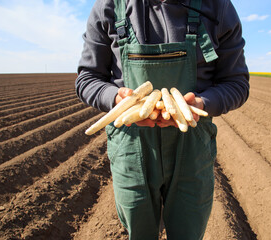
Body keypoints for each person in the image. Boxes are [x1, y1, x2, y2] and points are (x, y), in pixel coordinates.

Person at [75, 0, 249, 239]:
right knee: (139, 231)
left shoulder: (217, 6)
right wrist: (118, 100)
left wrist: (201, 104)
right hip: (130, 146)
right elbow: (88, 78)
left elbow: (236, 83)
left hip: (192, 143)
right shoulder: (109, 6)